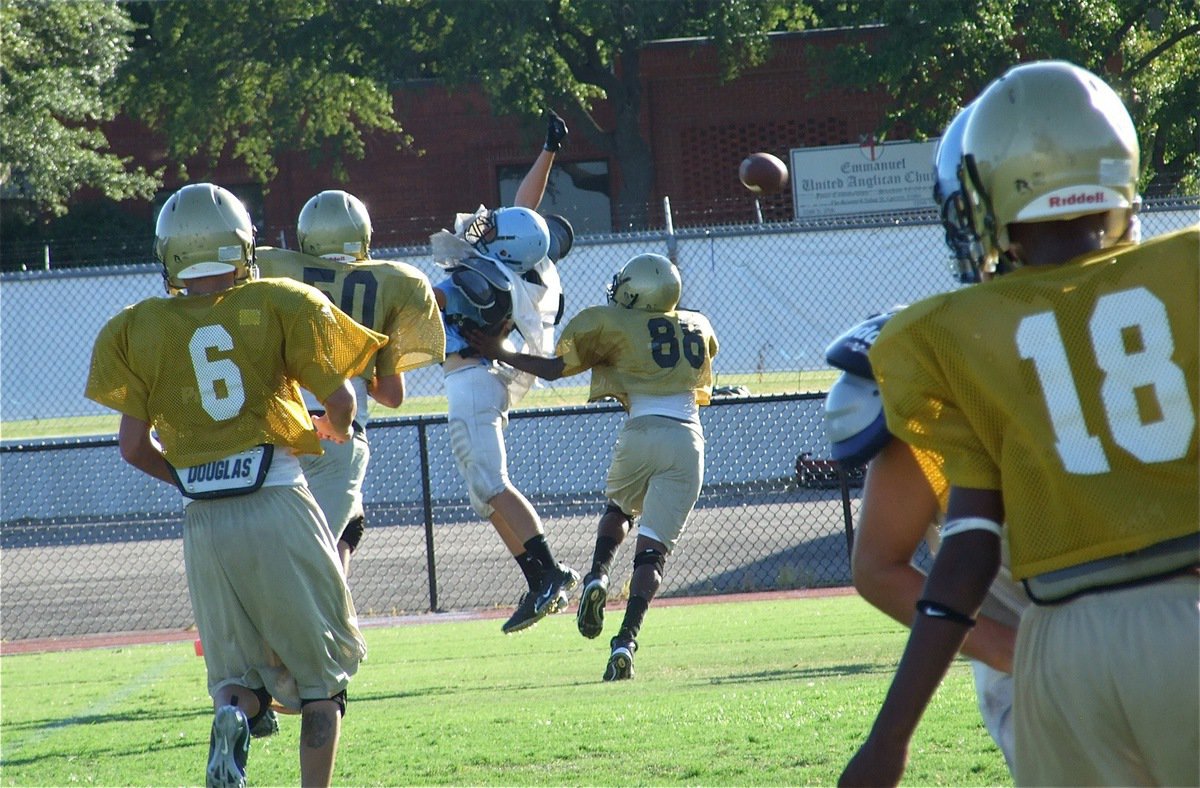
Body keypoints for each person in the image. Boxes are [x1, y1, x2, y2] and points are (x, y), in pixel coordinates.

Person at [839, 60, 1198, 787]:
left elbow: (967, 548)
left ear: (987, 193)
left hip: (1058, 648)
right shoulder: (1185, 271)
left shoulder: (953, 335)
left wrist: (890, 738)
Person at [85, 183, 388, 788]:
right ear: (243, 245)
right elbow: (342, 399)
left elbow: (133, 447)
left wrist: (189, 480)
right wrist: (334, 428)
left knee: (236, 677)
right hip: (276, 497)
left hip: (205, 521)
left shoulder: (137, 328)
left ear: (169, 252)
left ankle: (233, 717)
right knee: (323, 683)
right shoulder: (274, 302)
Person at [822, 103, 1027, 772]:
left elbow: (892, 565)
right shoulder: (1176, 299)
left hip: (1063, 683)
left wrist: (1013, 653)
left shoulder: (939, 352)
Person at [466, 252, 719, 681]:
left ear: (636, 290)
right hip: (688, 439)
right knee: (653, 553)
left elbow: (553, 369)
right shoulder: (699, 325)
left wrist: (500, 351)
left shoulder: (611, 322)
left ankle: (597, 576)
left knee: (619, 510)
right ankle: (625, 642)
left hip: (642, 430)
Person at [430, 109, 579, 635]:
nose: (484, 224)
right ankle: (537, 577)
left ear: (503, 246)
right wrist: (549, 151)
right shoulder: (521, 268)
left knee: (494, 486)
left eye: (492, 229)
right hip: (477, 381)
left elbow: (428, 301)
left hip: (472, 383)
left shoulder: (485, 279)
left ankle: (551, 572)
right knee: (485, 494)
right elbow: (522, 215)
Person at [257, 189, 445, 574]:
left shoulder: (277, 274)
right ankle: (330, 612)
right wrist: (361, 366)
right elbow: (392, 396)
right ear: (363, 235)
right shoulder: (389, 285)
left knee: (335, 531)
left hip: (279, 425)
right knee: (316, 559)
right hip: (340, 430)